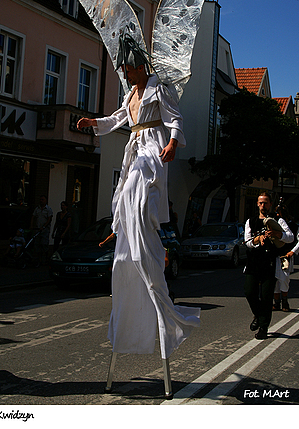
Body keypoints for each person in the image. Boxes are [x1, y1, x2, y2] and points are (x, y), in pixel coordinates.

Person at [77, 36, 200, 360]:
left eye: (127, 69)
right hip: (134, 149)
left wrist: (173, 143)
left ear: (138, 66)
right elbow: (117, 119)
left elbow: (175, 119)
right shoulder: (131, 94)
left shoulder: (160, 87)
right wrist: (93, 123)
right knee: (126, 190)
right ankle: (126, 228)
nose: (125, 74)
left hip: (152, 148)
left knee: (139, 187)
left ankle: (142, 227)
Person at [244, 191, 294, 339]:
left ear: (270, 204)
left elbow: (290, 237)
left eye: (265, 202)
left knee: (266, 296)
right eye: (260, 202)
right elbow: (247, 242)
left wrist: (279, 235)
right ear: (257, 204)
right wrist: (257, 240)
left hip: (270, 263)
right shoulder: (251, 221)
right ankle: (258, 315)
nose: (262, 205)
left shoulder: (278, 220)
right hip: (254, 262)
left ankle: (263, 328)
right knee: (249, 291)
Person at [273, 204, 299, 312]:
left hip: (286, 256)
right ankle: (276, 303)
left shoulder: (294, 226)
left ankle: (285, 301)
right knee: (275, 280)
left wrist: (292, 251)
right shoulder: (275, 225)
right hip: (275, 255)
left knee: (284, 279)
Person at [30, 195, 53, 264]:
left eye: (42, 199)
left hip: (44, 230)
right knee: (37, 244)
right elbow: (33, 217)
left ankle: (45, 258)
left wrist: (44, 226)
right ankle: (38, 258)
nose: (41, 201)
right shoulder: (37, 209)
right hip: (37, 228)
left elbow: (49, 219)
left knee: (44, 243)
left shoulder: (48, 209)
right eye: (40, 199)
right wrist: (31, 225)